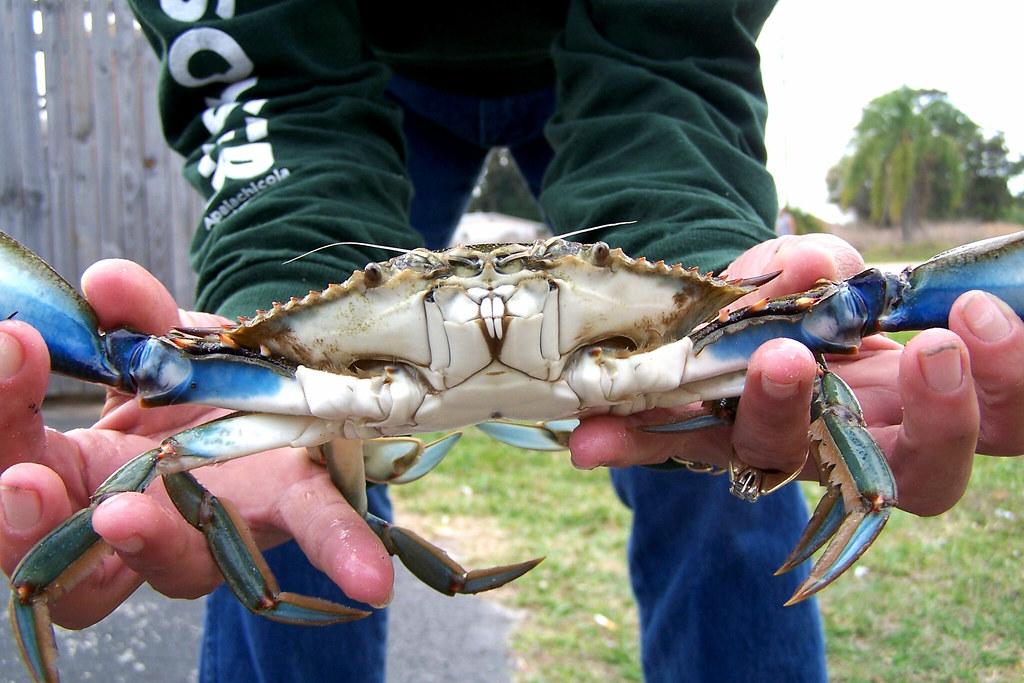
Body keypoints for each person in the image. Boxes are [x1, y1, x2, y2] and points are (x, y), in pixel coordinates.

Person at [2, 2, 1023, 681]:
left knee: (760, 410)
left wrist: (721, 270)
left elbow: (669, 47)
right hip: (331, 67)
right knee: (257, 462)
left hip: (647, 56)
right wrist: (274, 290)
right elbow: (263, 76)